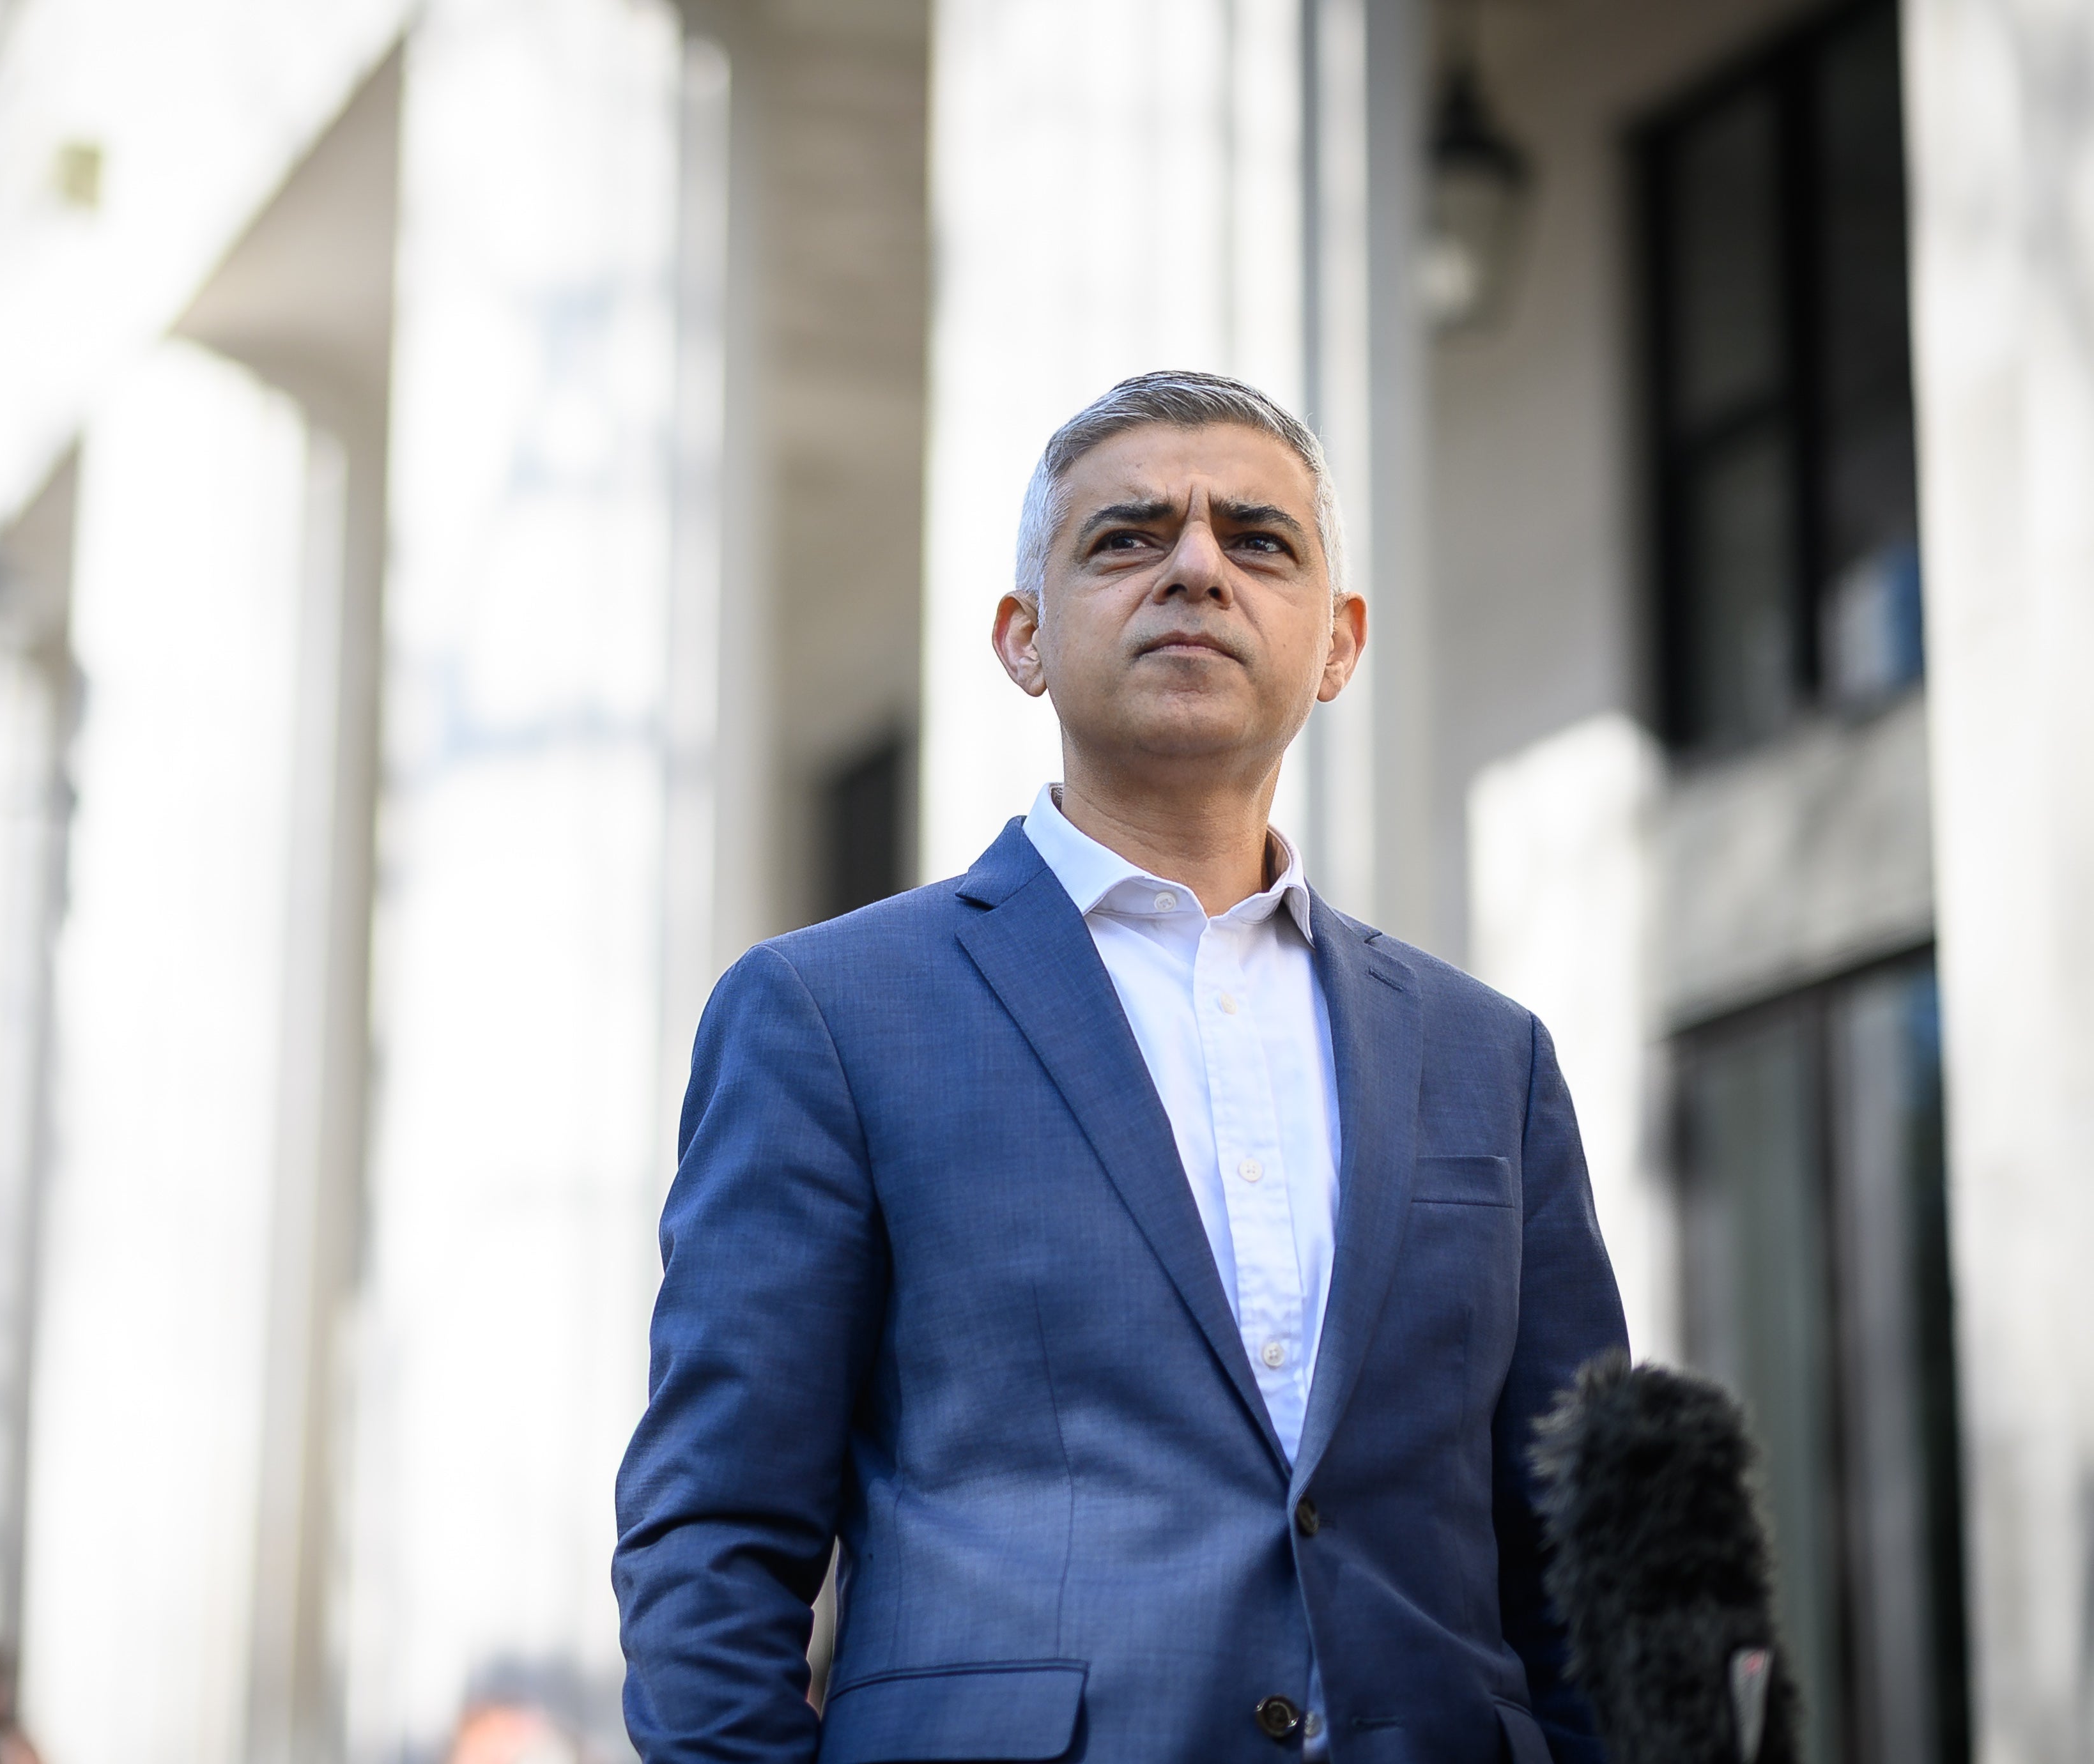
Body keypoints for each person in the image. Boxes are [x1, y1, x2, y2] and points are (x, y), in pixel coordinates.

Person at [613, 371, 1628, 1763]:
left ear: (1337, 643)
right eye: (1127, 538)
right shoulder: (824, 1016)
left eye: (1256, 540)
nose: (1196, 569)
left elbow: (1578, 1564)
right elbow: (712, 1537)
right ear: (1021, 638)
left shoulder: (1486, 1057)